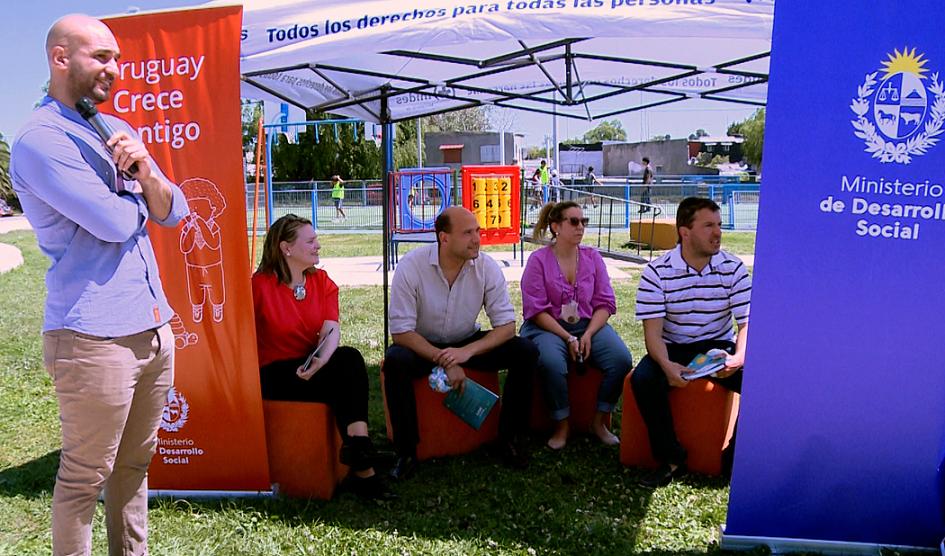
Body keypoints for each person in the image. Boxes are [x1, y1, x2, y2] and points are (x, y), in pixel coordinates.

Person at [9, 14, 189, 555]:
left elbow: (174, 210)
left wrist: (150, 177)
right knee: (86, 477)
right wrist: (142, 197)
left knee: (135, 464)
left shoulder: (116, 129)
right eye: (101, 57)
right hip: (92, 336)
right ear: (61, 58)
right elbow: (113, 223)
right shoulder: (40, 141)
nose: (115, 68)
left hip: (152, 326)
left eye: (117, 58)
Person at [383, 207, 538, 480]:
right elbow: (401, 332)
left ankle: (511, 438)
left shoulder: (486, 266)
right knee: (395, 361)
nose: (477, 239)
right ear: (443, 238)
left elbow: (506, 327)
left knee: (525, 351)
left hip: (466, 341)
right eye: (467, 233)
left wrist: (464, 353)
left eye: (477, 231)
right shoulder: (412, 266)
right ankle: (406, 452)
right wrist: (446, 359)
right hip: (422, 343)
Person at [252, 214, 390, 498]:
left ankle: (360, 454)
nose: (318, 245)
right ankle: (364, 464)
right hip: (275, 373)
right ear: (285, 248)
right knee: (345, 379)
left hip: (312, 364)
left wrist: (319, 362)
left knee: (348, 358)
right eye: (311, 240)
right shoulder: (260, 286)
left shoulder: (322, 281)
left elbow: (331, 330)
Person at [631, 197, 751, 487]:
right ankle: (671, 459)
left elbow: (747, 323)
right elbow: (653, 335)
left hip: (719, 345)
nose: (718, 232)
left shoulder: (733, 268)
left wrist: (739, 358)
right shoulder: (656, 272)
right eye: (708, 225)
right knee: (644, 380)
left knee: (762, 383)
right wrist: (666, 364)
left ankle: (735, 459)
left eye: (719, 225)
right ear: (685, 232)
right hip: (673, 344)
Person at [520, 201, 632, 450]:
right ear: (556, 226)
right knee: (551, 361)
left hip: (587, 324)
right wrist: (568, 338)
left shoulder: (593, 257)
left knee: (621, 359)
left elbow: (605, 302)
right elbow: (536, 310)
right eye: (574, 221)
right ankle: (562, 424)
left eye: (584, 222)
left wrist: (589, 333)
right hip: (546, 327)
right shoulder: (538, 260)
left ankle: (598, 421)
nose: (580, 227)